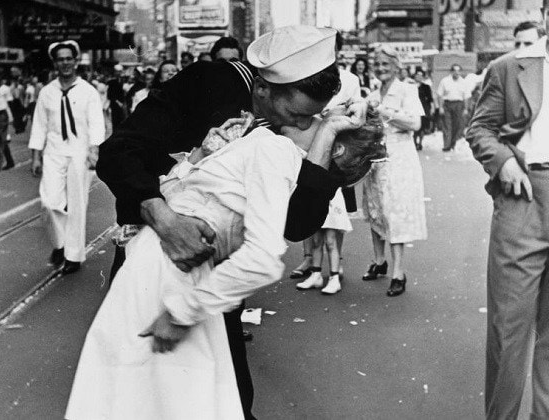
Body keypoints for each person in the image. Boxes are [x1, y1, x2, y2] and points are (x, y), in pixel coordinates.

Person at [67, 27, 380, 419]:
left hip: (207, 280)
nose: (302, 125)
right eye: (298, 114)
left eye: (313, 116)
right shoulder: (207, 82)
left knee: (218, 395)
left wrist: (328, 140)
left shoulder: (283, 136)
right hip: (160, 264)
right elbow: (119, 152)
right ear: (264, 88)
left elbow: (297, 223)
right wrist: (162, 216)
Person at [466, 3, 549, 417]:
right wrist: (504, 161)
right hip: (525, 196)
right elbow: (479, 127)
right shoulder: (509, 66)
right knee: (509, 328)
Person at [290, 31, 362, 287]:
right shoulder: (303, 77)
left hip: (337, 152)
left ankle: (335, 264)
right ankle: (311, 262)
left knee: (334, 215)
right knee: (305, 203)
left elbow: (356, 116)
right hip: (305, 148)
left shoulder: (350, 80)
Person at [28, 40, 105, 275]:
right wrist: (36, 156)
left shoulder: (88, 91)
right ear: (55, 63)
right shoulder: (47, 92)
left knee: (77, 204)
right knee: (49, 203)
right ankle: (60, 244)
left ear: (75, 61)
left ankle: (73, 255)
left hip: (80, 153)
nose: (65, 63)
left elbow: (96, 123)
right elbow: (39, 125)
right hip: (53, 152)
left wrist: (94, 150)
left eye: (69, 58)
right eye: (60, 59)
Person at [361, 46, 427, 297]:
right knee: (376, 209)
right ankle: (380, 261)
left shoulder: (407, 90)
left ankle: (399, 272)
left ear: (397, 66)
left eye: (385, 65)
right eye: (377, 65)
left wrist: (383, 112)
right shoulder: (373, 93)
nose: (380, 69)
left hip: (400, 158)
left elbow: (415, 123)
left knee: (395, 212)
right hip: (376, 157)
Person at [436, 64, 469, 151]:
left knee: (457, 125)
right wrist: (440, 107)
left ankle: (452, 143)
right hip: (447, 104)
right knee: (447, 125)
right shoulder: (445, 81)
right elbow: (440, 94)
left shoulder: (463, 82)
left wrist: (465, 108)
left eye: (458, 71)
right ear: (451, 72)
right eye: (455, 70)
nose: (457, 73)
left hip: (459, 105)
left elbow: (466, 97)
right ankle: (446, 145)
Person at [413, 69, 434, 151]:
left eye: (421, 76)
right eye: (417, 76)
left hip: (423, 108)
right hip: (413, 108)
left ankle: (420, 142)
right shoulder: (410, 86)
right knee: (414, 126)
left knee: (422, 126)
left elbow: (430, 99)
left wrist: (431, 109)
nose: (419, 77)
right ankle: (414, 142)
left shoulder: (426, 87)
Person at [107, 64, 127, 132]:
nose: (119, 73)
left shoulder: (123, 81)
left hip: (122, 106)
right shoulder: (111, 82)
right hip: (115, 106)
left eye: (120, 71)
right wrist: (118, 102)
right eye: (117, 71)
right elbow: (110, 95)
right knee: (116, 123)